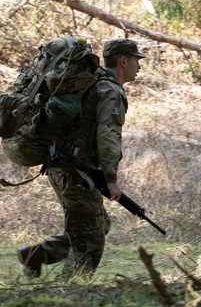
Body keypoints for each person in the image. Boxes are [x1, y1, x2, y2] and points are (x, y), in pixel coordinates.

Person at [17, 38, 144, 278]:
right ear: (123, 60)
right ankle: (67, 293)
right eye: (137, 60)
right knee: (89, 242)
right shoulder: (110, 90)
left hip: (62, 164)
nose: (139, 67)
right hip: (76, 170)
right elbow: (108, 135)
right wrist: (110, 177)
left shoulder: (92, 82)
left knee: (97, 224)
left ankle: (36, 255)